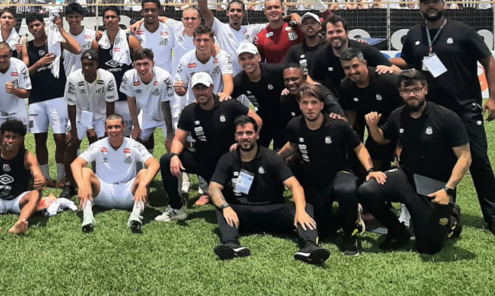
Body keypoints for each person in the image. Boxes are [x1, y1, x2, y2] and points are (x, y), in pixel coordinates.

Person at [397, 0, 495, 237]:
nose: (431, 5)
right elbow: (407, 62)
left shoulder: (463, 31)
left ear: (444, 4)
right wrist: (378, 60)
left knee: (478, 161)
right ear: (420, 7)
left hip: (465, 108)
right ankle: (444, 212)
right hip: (432, 113)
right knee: (438, 163)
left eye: (435, 1)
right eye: (426, 2)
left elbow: (489, 62)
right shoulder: (414, 35)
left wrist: (493, 98)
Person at [358, 70, 470, 254]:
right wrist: (372, 127)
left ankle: (452, 216)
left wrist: (448, 190)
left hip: (435, 184)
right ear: (400, 93)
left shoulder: (446, 117)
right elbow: (382, 139)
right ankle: (398, 231)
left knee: (428, 247)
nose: (412, 94)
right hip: (406, 177)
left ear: (425, 89)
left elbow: (465, 157)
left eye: (416, 90)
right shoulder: (398, 115)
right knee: (367, 190)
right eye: (406, 90)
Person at [208, 116, 330, 265]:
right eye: (240, 133)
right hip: (243, 215)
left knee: (306, 207)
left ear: (257, 135)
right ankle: (231, 245)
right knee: (221, 207)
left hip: (274, 211)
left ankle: (310, 247)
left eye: (249, 133)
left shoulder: (271, 157)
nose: (245, 137)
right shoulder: (227, 159)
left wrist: (300, 211)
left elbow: (295, 186)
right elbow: (213, 188)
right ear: (235, 136)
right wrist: (226, 207)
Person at [277, 84, 383, 256]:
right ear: (299, 105)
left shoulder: (338, 126)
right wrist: (273, 159)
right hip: (314, 179)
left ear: (321, 105)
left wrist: (370, 169)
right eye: (305, 103)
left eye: (314, 102)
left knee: (346, 190)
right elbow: (291, 146)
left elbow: (359, 148)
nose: (309, 107)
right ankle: (351, 214)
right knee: (323, 230)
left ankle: (350, 234)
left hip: (340, 174)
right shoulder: (294, 125)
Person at [155, 72, 260, 222]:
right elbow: (178, 139)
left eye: (204, 88)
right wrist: (174, 156)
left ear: (212, 88)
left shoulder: (228, 104)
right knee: (166, 160)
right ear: (192, 91)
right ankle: (176, 208)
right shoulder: (189, 111)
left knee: (240, 203)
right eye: (197, 89)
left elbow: (257, 120)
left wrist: (243, 143)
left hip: (229, 164)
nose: (201, 92)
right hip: (203, 161)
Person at [20, 11, 82, 193]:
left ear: (44, 25)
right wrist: (39, 63)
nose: (35, 29)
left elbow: (77, 49)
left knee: (60, 138)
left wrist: (61, 29)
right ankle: (45, 176)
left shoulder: (55, 42)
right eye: (31, 26)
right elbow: (25, 72)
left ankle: (61, 177)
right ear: (29, 29)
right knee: (39, 138)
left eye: (37, 25)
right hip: (36, 99)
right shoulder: (27, 46)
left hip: (58, 96)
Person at [72, 114, 160, 232]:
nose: (113, 130)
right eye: (110, 127)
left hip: (129, 194)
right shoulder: (98, 145)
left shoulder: (134, 145)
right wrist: (82, 186)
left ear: (124, 127)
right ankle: (88, 216)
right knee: (85, 171)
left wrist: (143, 185)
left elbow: (154, 164)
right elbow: (76, 164)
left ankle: (135, 215)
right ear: (105, 128)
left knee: (144, 173)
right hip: (103, 193)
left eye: (117, 126)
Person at [338, 48, 402, 170]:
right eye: (347, 68)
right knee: (369, 169)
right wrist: (348, 132)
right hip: (374, 129)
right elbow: (350, 111)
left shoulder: (386, 80)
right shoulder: (345, 85)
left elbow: (405, 109)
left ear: (365, 63)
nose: (352, 71)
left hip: (397, 126)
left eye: (355, 66)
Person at [310, 15, 399, 94]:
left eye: (339, 31)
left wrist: (389, 70)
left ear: (347, 33)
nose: (335, 35)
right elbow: (314, 81)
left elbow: (397, 71)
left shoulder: (365, 50)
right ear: (325, 35)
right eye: (330, 32)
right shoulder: (321, 55)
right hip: (337, 100)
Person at [92, 6, 143, 132]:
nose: (110, 20)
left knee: (130, 132)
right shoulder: (97, 42)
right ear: (103, 20)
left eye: (113, 17)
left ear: (119, 19)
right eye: (107, 17)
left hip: (126, 96)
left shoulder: (130, 40)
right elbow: (93, 67)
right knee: (107, 132)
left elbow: (142, 63)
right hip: (105, 96)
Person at [233, 42, 287, 148]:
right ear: (239, 62)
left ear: (259, 57)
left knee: (282, 153)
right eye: (243, 59)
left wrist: (289, 87)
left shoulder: (274, 70)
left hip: (284, 117)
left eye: (250, 57)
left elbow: (297, 71)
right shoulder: (239, 81)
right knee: (256, 150)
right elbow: (229, 102)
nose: (247, 62)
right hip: (263, 118)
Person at [122, 48, 174, 151]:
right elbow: (131, 101)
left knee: (172, 145)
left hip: (169, 116)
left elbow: (166, 106)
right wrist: (136, 126)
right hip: (147, 115)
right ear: (134, 65)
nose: (142, 68)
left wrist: (170, 133)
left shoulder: (164, 77)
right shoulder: (128, 76)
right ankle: (147, 160)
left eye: (146, 64)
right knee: (134, 143)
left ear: (152, 64)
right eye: (138, 64)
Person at [173, 24, 233, 106]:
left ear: (213, 41)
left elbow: (228, 81)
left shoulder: (223, 56)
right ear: (193, 41)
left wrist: (225, 94)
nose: (202, 44)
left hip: (216, 103)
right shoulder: (185, 60)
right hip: (194, 104)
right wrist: (179, 89)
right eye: (198, 40)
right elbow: (182, 91)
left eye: (206, 40)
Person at [65, 50, 119, 141]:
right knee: (70, 143)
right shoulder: (73, 78)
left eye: (90, 64)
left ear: (96, 64)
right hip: (80, 116)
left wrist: (108, 128)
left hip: (101, 117)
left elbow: (110, 104)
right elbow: (71, 105)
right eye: (84, 64)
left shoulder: (108, 77)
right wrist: (74, 130)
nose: (87, 68)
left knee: (104, 142)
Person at [254, 0, 304, 64]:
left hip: (297, 70)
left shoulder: (296, 28)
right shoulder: (260, 37)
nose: (273, 10)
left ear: (282, 9)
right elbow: (260, 64)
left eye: (276, 7)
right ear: (265, 11)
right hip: (274, 71)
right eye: (269, 8)